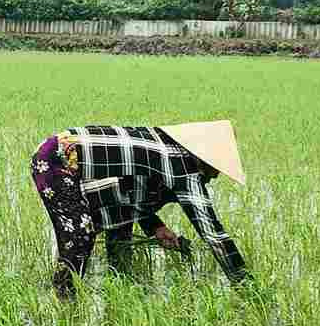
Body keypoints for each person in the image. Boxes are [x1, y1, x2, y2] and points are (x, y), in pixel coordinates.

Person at [30, 120, 249, 296]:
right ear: (205, 158)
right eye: (217, 167)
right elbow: (214, 235)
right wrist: (247, 286)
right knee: (80, 236)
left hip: (91, 176)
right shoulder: (183, 168)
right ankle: (65, 299)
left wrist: (157, 227)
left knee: (120, 226)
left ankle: (119, 285)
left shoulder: (166, 150)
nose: (216, 175)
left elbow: (137, 193)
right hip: (56, 159)